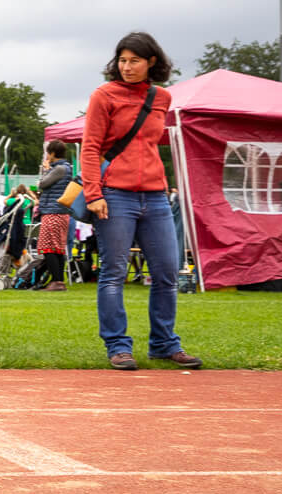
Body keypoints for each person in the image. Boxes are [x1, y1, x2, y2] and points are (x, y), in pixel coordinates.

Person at [82, 31, 201, 371]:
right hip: (115, 196)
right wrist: (94, 194)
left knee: (166, 272)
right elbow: (90, 147)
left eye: (134, 60)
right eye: (122, 60)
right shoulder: (103, 95)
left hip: (156, 196)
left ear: (151, 62)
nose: (127, 67)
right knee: (114, 273)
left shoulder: (161, 97)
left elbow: (150, 145)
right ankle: (118, 346)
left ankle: (164, 345)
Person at [35, 141, 75, 292]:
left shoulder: (58, 169)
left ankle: (57, 281)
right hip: (61, 212)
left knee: (48, 248)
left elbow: (43, 184)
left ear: (52, 153)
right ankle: (58, 281)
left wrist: (45, 170)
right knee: (57, 249)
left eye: (48, 153)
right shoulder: (67, 168)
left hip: (53, 211)